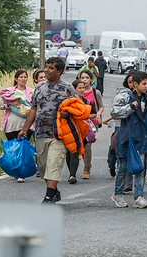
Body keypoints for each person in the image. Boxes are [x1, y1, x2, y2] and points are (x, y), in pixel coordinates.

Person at [18, 56, 77, 203]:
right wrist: (25, 129)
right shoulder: (39, 87)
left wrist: (68, 113)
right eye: (46, 67)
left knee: (54, 163)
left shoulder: (68, 88)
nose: (47, 70)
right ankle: (54, 190)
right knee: (43, 166)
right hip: (40, 133)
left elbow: (78, 108)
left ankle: (49, 196)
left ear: (60, 71)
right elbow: (33, 108)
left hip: (59, 134)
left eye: (51, 68)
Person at [111, 71, 147, 209]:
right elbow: (114, 112)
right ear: (135, 84)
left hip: (141, 136)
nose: (146, 86)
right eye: (143, 84)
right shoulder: (124, 96)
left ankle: (139, 196)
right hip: (125, 137)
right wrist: (131, 107)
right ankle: (117, 194)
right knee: (123, 168)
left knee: (141, 168)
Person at [106, 73, 135, 194]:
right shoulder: (122, 97)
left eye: (135, 82)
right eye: (130, 82)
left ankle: (128, 185)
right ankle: (112, 170)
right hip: (120, 131)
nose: (133, 84)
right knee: (117, 157)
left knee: (132, 159)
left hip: (136, 133)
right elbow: (116, 113)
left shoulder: (144, 97)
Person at [64, 79, 96, 184]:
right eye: (80, 88)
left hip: (82, 130)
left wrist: (84, 116)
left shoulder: (87, 102)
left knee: (75, 151)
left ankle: (73, 174)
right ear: (74, 89)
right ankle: (71, 173)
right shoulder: (69, 102)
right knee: (70, 152)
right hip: (69, 129)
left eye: (83, 88)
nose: (82, 90)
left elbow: (93, 114)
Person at [78, 70, 104, 179]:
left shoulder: (95, 92)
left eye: (86, 78)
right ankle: (87, 163)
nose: (84, 80)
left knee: (88, 145)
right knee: (81, 145)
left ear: (91, 79)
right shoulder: (77, 92)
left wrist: (98, 114)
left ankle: (86, 169)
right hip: (79, 122)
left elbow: (101, 106)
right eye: (82, 78)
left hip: (92, 123)